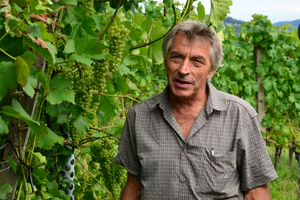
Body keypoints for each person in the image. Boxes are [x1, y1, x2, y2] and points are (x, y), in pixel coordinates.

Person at [113, 20, 278, 199]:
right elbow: (134, 187)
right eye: (176, 57)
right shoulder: (139, 117)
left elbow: (256, 191)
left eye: (197, 61)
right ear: (166, 61)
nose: (183, 69)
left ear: (212, 70)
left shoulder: (240, 115)